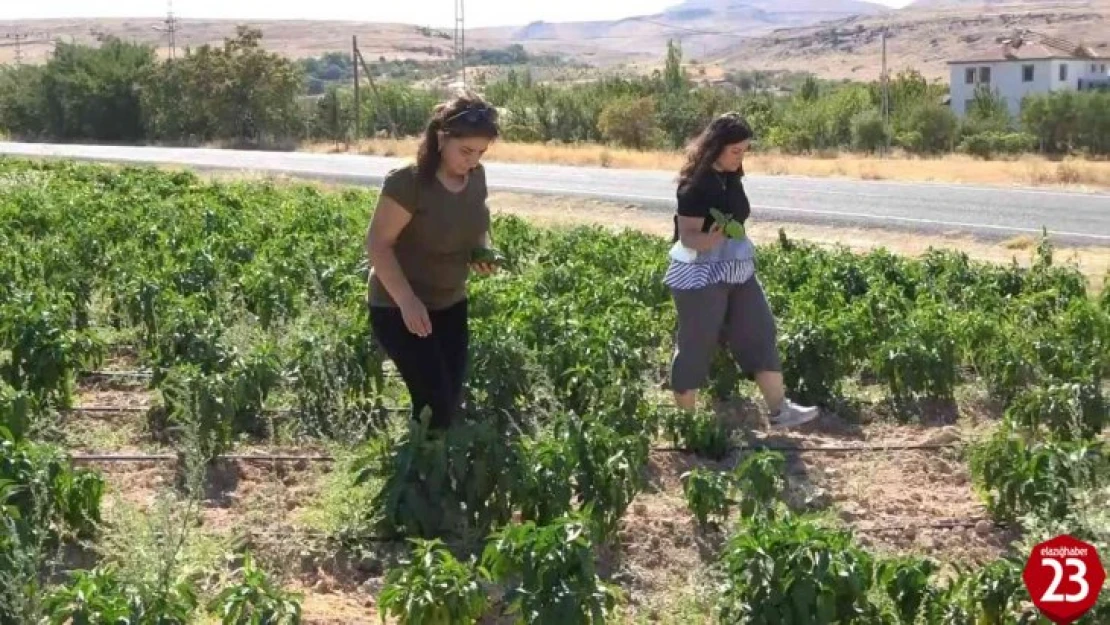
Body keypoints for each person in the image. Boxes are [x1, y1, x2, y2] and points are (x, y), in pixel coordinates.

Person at [663, 112, 819, 429]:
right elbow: (689, 236)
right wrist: (717, 236)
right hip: (699, 274)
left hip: (737, 270)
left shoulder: (731, 176)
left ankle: (780, 411)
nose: (740, 157)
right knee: (696, 345)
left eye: (744, 150)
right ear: (716, 147)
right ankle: (686, 424)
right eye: (736, 151)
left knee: (760, 330)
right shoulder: (694, 186)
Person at [365, 93, 501, 430]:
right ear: (441, 139)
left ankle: (428, 461)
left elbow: (477, 227)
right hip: (399, 305)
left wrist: (482, 252)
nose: (472, 161)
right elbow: (378, 244)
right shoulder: (408, 183)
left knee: (447, 397)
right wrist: (407, 301)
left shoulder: (476, 178)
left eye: (481, 152)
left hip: (450, 301)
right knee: (433, 399)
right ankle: (417, 472)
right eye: (465, 151)